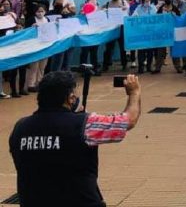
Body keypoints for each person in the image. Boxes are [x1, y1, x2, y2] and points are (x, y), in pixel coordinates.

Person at [9, 71, 141, 207]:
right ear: (70, 98)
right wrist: (134, 93)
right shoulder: (85, 124)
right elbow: (128, 120)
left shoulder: (20, 127)